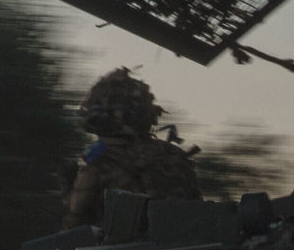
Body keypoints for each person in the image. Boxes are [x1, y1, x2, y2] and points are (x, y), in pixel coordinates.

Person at [63, 68, 204, 228]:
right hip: (190, 243)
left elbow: (73, 221)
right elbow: (198, 205)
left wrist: (69, 192)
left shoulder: (101, 164)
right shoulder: (174, 153)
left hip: (130, 248)